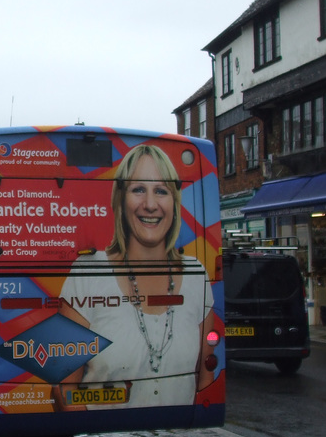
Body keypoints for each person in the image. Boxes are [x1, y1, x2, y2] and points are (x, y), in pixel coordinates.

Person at [57, 144, 217, 409]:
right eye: (138, 189)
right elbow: (64, 387)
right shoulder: (88, 273)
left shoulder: (196, 274)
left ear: (174, 203)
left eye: (161, 191)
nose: (150, 205)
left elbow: (206, 380)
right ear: (121, 200)